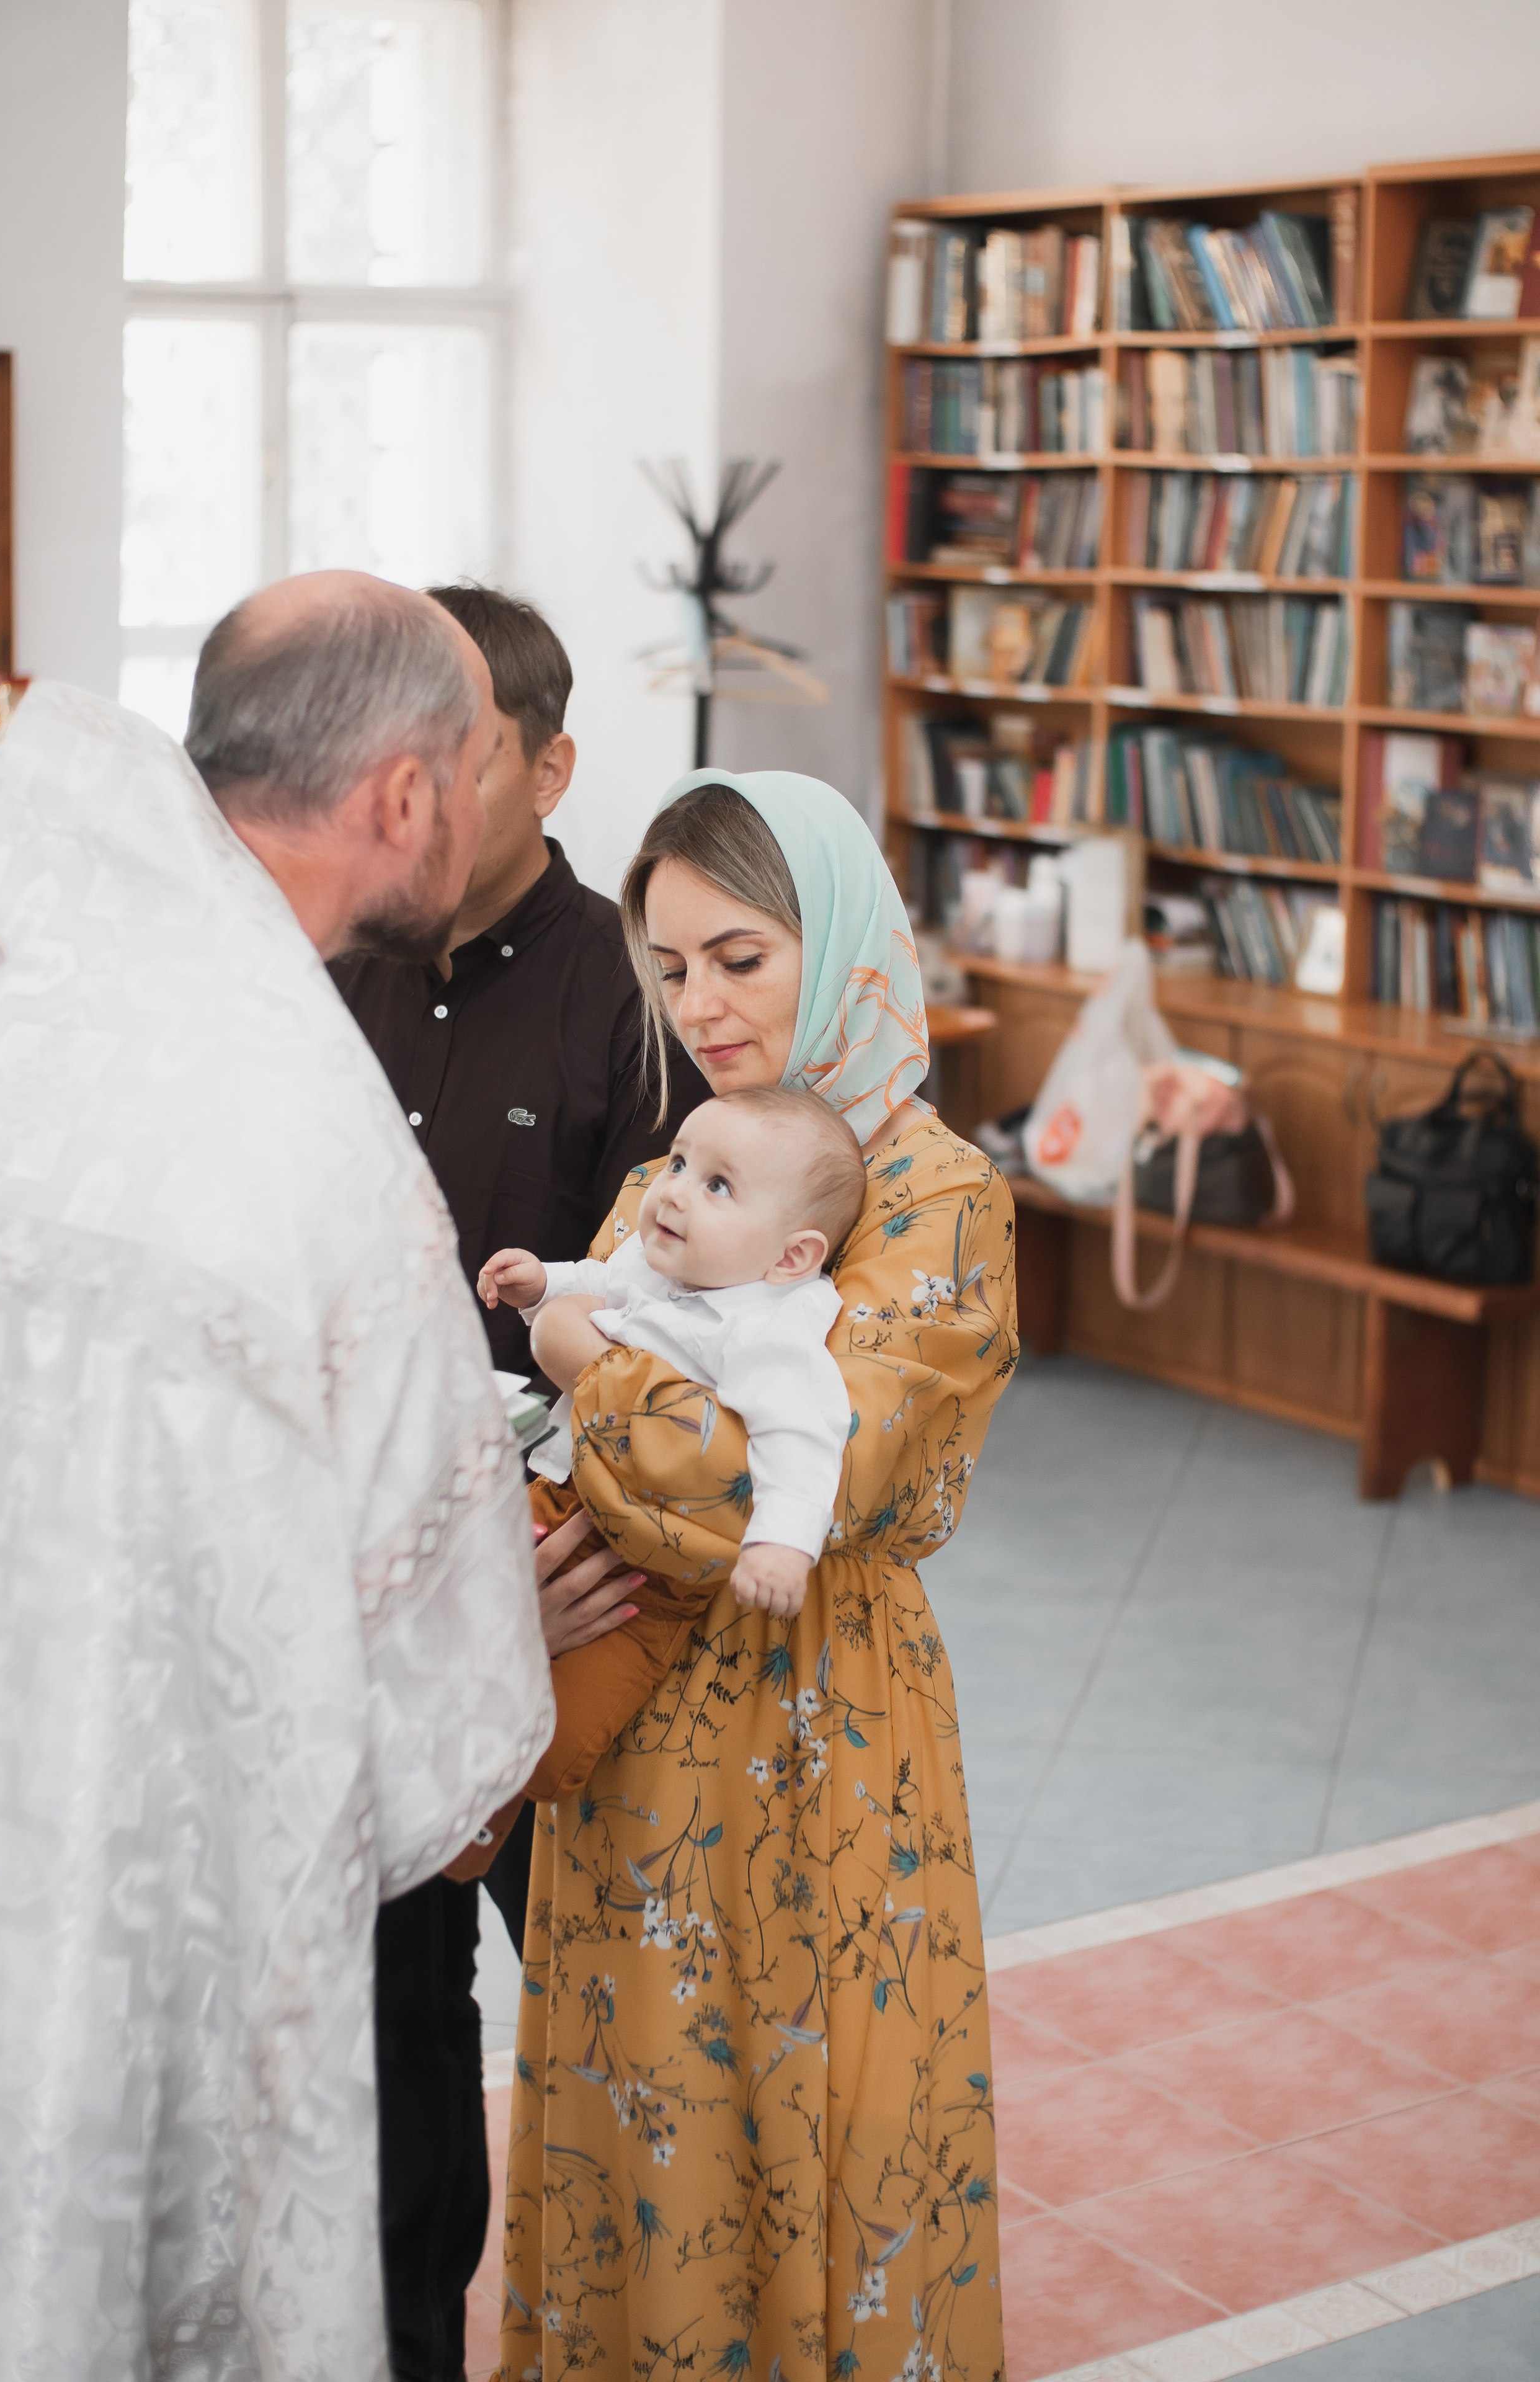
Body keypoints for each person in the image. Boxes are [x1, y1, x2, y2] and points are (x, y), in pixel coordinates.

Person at [0, 571, 556, 2382]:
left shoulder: (11, 991)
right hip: (169, 1905)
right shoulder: (311, 1140)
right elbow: (445, 1767)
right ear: (400, 795)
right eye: (473, 766)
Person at [494, 769, 1018, 2382]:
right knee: (645, 2145)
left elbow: (751, 1487)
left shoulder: (938, 1203)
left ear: (839, 937)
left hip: (826, 1743)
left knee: (833, 2137)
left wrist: (582, 1355)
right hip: (641, 1754)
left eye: (740, 956)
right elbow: (600, 1460)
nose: (699, 1005)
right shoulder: (696, 1158)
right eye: (670, 966)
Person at [330, 581, 705, 2382]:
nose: (411, 781)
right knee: (403, 2027)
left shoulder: (642, 1004)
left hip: (576, 1614)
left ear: (551, 766)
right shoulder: (330, 958)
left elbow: (679, 1333)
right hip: (375, 1619)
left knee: (614, 2004)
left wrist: (545, 1568)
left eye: (458, 746)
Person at [461, 1085, 866, 1862]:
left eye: (717, 1185)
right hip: (553, 1490)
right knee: (447, 1616)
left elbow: (801, 1432)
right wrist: (540, 1284)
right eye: (679, 1163)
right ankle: (441, 1817)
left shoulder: (769, 1325)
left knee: (558, 1742)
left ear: (791, 1255)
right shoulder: (654, 1267)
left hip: (641, 1569)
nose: (673, 1191)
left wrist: (782, 1542)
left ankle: (486, 1803)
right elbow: (595, 1283)